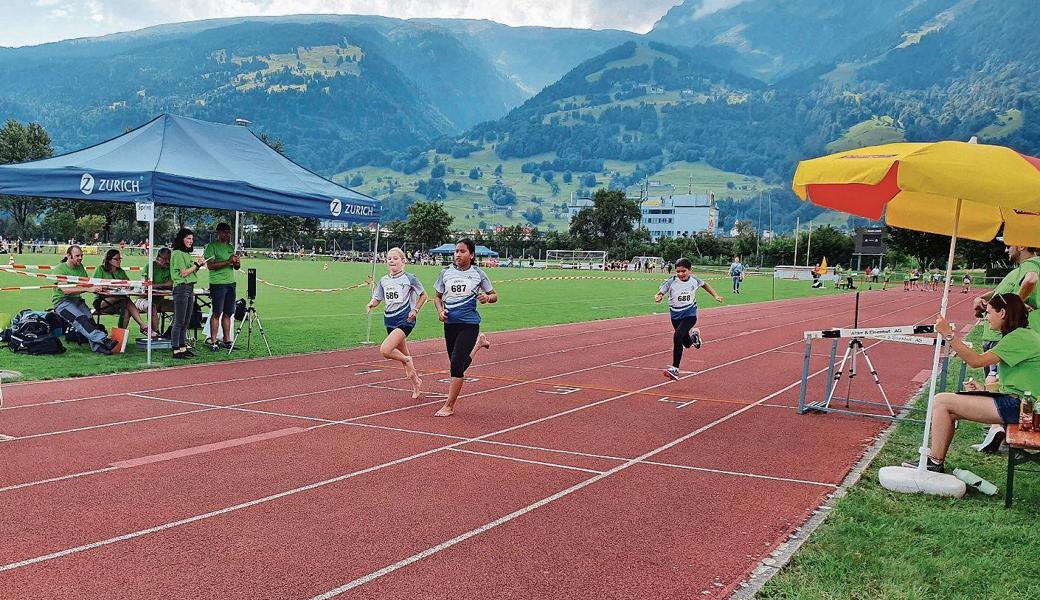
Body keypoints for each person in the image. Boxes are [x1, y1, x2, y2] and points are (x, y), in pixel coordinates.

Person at [906, 294, 1040, 472]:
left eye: (989, 312)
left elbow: (976, 361)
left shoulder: (1019, 337)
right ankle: (935, 461)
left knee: (942, 401)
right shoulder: (1024, 335)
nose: (986, 318)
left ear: (1002, 313)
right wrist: (984, 388)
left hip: (1021, 408)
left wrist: (948, 334)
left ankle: (935, 462)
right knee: (947, 405)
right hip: (1021, 404)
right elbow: (1018, 381)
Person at [971, 245, 1040, 450]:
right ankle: (996, 431)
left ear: (1022, 245)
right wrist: (983, 299)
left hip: (1009, 336)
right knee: (997, 381)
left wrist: (1014, 306)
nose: (1006, 249)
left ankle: (997, 431)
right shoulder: (1017, 269)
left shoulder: (1031, 265)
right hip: (1000, 334)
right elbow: (1001, 292)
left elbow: (1031, 280)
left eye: (1010, 244)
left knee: (998, 381)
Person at [432, 238, 496, 417]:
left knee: (456, 364)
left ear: (472, 255)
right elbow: (437, 297)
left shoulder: (478, 274)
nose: (458, 254)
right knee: (456, 363)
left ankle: (449, 405)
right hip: (450, 324)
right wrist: (440, 311)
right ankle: (479, 344)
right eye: (456, 251)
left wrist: (487, 298)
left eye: (462, 251)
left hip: (469, 324)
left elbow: (494, 295)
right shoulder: (445, 273)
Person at [367, 247, 427, 399]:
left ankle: (408, 360)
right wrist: (372, 304)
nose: (391, 261)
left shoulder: (410, 278)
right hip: (390, 321)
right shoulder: (384, 280)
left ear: (402, 261)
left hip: (405, 320)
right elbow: (378, 298)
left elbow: (424, 295)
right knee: (404, 358)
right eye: (389, 259)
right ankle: (416, 384)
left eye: (395, 258)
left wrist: (415, 310)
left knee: (385, 350)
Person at [655, 258, 724, 380]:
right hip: (675, 315)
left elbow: (705, 285)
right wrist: (659, 296)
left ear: (690, 270)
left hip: (690, 314)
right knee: (686, 343)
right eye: (678, 271)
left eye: (683, 271)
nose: (681, 274)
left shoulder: (694, 280)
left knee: (677, 336)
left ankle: (675, 369)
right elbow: (661, 292)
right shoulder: (671, 281)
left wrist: (716, 295)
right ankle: (695, 338)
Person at [51, 245, 118, 355]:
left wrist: (101, 288)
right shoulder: (60, 269)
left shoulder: (80, 267)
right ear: (68, 256)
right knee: (81, 320)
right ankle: (104, 340)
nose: (80, 258)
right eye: (77, 256)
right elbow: (66, 291)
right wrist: (89, 289)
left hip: (77, 301)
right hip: (62, 303)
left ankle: (97, 347)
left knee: (90, 320)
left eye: (81, 255)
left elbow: (88, 284)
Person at [93, 248, 154, 337]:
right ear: (109, 260)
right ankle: (143, 326)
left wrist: (129, 286)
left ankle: (119, 339)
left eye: (120, 259)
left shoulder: (121, 271)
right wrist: (112, 286)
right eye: (116, 259)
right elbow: (96, 285)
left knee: (125, 310)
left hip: (119, 303)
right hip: (102, 302)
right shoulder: (100, 269)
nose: (119, 261)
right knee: (124, 298)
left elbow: (128, 284)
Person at [204, 222, 240, 351]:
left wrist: (236, 263)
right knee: (216, 313)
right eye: (225, 232)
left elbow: (236, 267)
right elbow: (210, 266)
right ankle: (213, 341)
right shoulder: (211, 247)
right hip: (218, 283)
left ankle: (227, 340)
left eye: (229, 232)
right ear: (218, 233)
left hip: (230, 282)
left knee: (229, 313)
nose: (228, 234)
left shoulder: (230, 247)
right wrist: (228, 261)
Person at [170, 228, 206, 359]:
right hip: (181, 287)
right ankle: (175, 349)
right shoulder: (178, 253)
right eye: (188, 238)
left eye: (192, 239)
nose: (191, 241)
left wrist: (198, 265)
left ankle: (182, 346)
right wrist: (196, 264)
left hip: (190, 287)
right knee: (179, 320)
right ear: (181, 239)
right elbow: (184, 272)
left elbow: (192, 270)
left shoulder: (186, 254)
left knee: (186, 320)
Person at [134, 247, 174, 334]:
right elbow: (145, 285)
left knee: (180, 306)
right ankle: (156, 333)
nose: (167, 261)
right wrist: (164, 285)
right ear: (158, 258)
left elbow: (171, 284)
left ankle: (170, 331)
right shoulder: (149, 266)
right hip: (143, 300)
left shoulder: (170, 268)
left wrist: (161, 286)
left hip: (160, 300)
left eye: (169, 259)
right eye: (165, 259)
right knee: (151, 306)